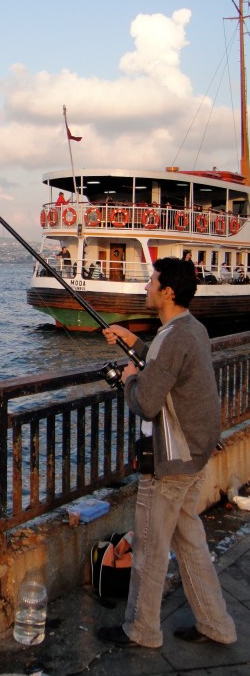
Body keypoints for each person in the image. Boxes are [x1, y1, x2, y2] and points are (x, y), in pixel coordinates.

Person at [97, 257, 236, 649]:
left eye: (152, 282)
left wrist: (127, 381)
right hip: (195, 455)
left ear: (167, 292)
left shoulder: (171, 338)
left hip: (169, 462)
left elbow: (147, 401)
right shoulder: (192, 329)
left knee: (150, 549)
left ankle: (142, 630)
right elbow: (165, 367)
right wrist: (134, 342)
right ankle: (217, 625)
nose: (146, 288)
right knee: (190, 544)